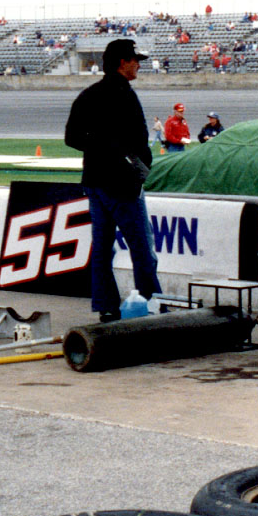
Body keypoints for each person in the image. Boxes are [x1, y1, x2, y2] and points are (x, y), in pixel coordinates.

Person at [63, 38, 162, 322]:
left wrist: (101, 148)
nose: (139, 65)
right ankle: (153, 306)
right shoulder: (125, 95)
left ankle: (106, 307)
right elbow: (139, 143)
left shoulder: (89, 94)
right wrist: (136, 169)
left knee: (102, 249)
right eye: (135, 60)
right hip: (122, 185)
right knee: (142, 250)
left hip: (94, 182)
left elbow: (72, 138)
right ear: (122, 63)